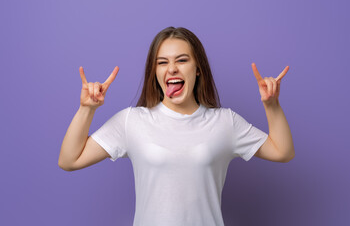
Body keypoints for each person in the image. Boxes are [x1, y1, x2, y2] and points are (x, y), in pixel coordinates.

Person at [58, 26, 295, 226]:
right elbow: (69, 161)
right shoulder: (132, 120)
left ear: (198, 68)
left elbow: (282, 152)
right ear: (155, 73)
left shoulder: (225, 122)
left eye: (182, 60)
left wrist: (272, 105)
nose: (172, 68)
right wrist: (86, 109)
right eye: (162, 62)